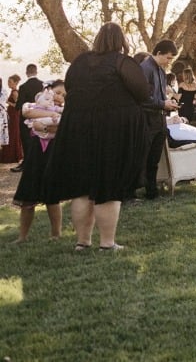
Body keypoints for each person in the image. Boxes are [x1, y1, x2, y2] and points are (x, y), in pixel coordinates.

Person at [43, 22, 150, 252]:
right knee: (109, 186)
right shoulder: (122, 62)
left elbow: (71, 88)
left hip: (78, 129)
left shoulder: (80, 62)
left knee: (82, 187)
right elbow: (143, 92)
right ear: (121, 41)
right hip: (112, 130)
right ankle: (107, 243)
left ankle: (83, 242)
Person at [11, 80, 66, 242]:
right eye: (57, 92)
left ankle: (56, 233)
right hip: (35, 156)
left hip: (53, 155)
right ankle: (22, 236)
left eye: (63, 95)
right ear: (47, 91)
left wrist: (43, 126)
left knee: (52, 196)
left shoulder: (65, 111)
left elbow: (58, 126)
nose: (59, 97)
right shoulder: (35, 106)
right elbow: (27, 113)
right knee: (28, 195)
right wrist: (50, 115)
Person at [139, 40, 179, 200]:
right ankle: (132, 192)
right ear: (159, 53)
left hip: (160, 119)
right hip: (147, 119)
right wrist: (163, 103)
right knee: (143, 157)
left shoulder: (161, 71)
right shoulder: (145, 69)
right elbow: (142, 98)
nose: (169, 62)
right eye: (168, 58)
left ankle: (151, 192)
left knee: (154, 158)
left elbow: (160, 94)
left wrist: (169, 103)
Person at [12, 64, 43, 173]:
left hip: (26, 118)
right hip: (40, 116)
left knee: (26, 141)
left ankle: (27, 164)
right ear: (36, 72)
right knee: (40, 139)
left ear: (26, 73)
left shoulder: (23, 87)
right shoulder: (43, 85)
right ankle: (39, 163)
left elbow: (19, 105)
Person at [1, 74, 22, 165]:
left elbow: (18, 106)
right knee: (10, 133)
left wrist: (8, 102)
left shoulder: (15, 92)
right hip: (11, 115)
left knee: (12, 134)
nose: (8, 83)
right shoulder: (12, 91)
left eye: (10, 82)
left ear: (15, 82)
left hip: (14, 115)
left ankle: (12, 156)